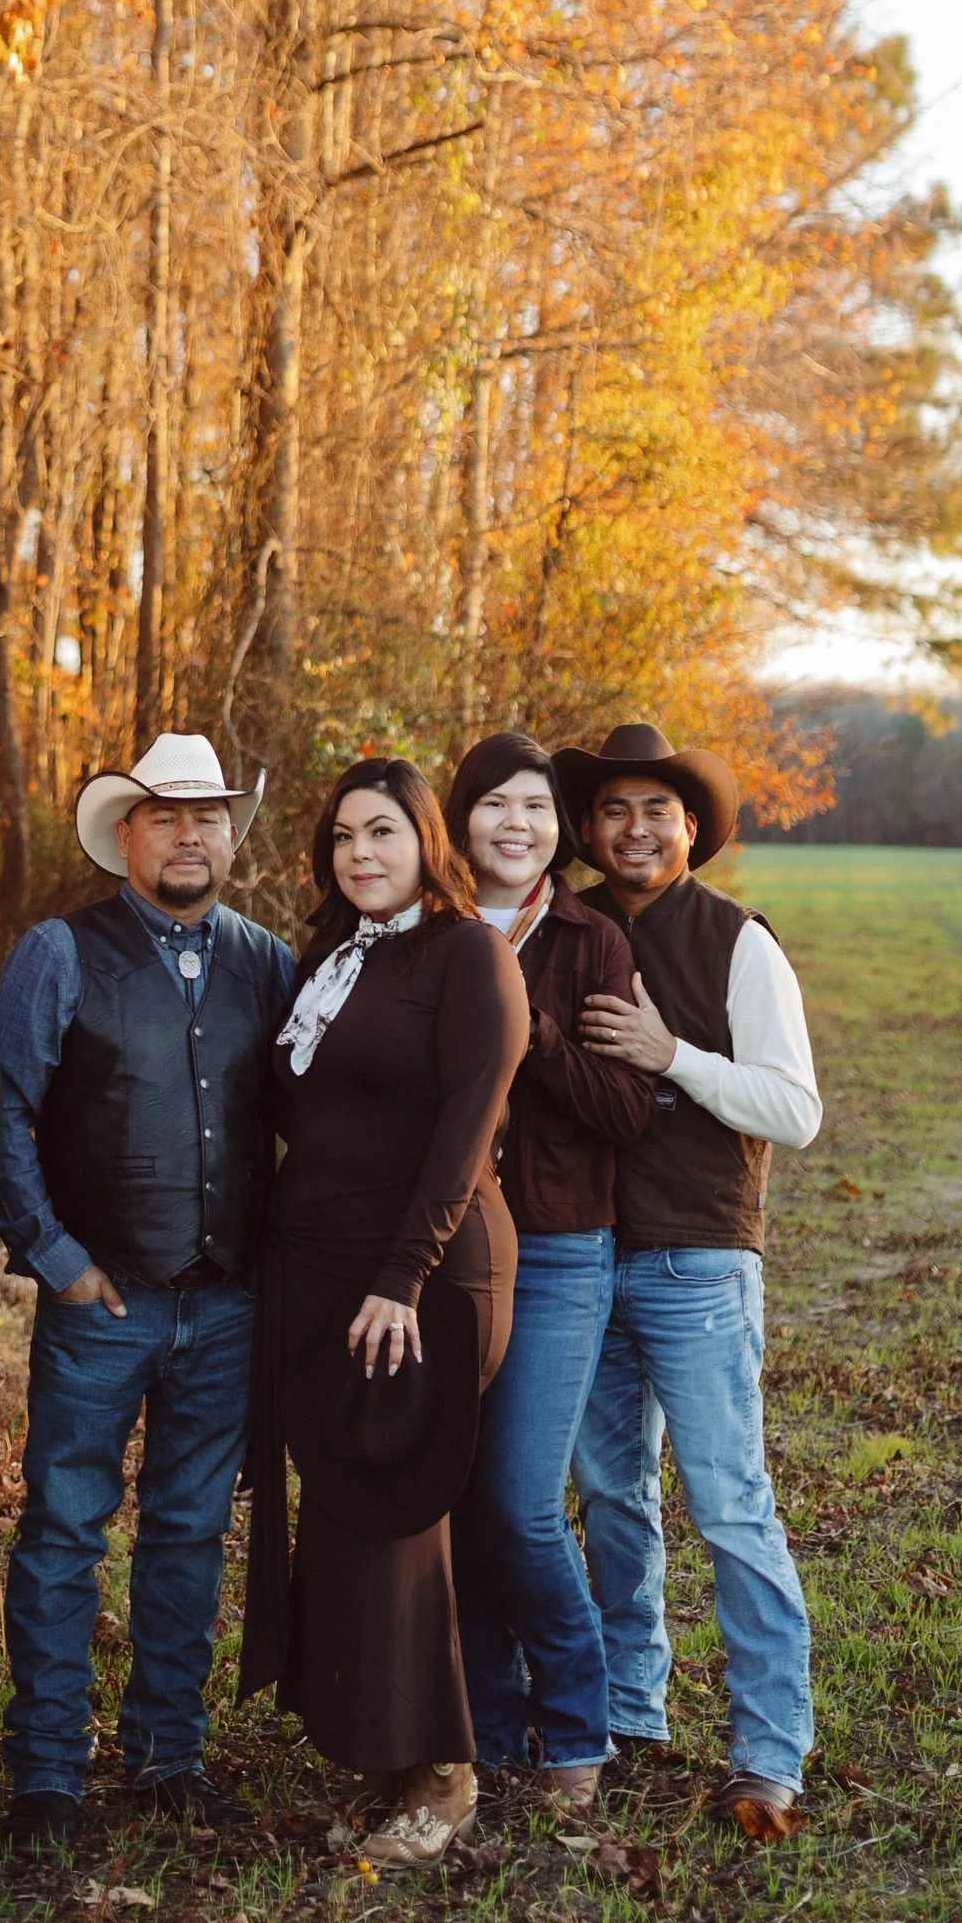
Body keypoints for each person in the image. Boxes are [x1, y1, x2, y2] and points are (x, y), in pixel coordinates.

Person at [0, 729, 295, 1853]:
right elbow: (3, 1112)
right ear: (124, 834)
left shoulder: (267, 962)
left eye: (207, 816)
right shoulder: (58, 953)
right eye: (164, 816)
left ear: (229, 835)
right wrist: (54, 1254)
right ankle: (47, 1774)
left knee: (189, 1532)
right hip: (99, 1305)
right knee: (66, 1530)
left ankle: (169, 1755)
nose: (187, 835)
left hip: (225, 1303)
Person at [237, 758, 528, 1863]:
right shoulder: (331, 961)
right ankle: (380, 1751)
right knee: (348, 1509)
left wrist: (402, 1276)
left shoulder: (467, 955)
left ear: (426, 844)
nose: (360, 853)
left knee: (403, 1510)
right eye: (342, 838)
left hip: (420, 1276)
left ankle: (446, 1776)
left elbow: (466, 1126)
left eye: (382, 833)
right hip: (320, 1270)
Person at [559, 719, 824, 1839]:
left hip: (699, 1258)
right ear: (588, 826)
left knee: (728, 1504)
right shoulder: (561, 935)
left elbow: (795, 1111)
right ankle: (631, 1709)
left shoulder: (735, 941)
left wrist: (673, 1058)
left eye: (654, 810)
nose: (633, 828)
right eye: (614, 809)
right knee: (611, 1501)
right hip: (578, 1256)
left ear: (690, 828)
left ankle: (768, 1751)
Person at [443, 730, 656, 1814]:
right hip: (448, 1249)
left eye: (533, 808)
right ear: (462, 818)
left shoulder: (588, 940)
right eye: (493, 805)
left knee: (523, 1500)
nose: (513, 825)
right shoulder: (425, 929)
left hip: (563, 1248)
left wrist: (534, 1038)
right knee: (464, 1492)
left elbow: (627, 1112)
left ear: (555, 828)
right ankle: (486, 1717)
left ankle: (576, 1716)